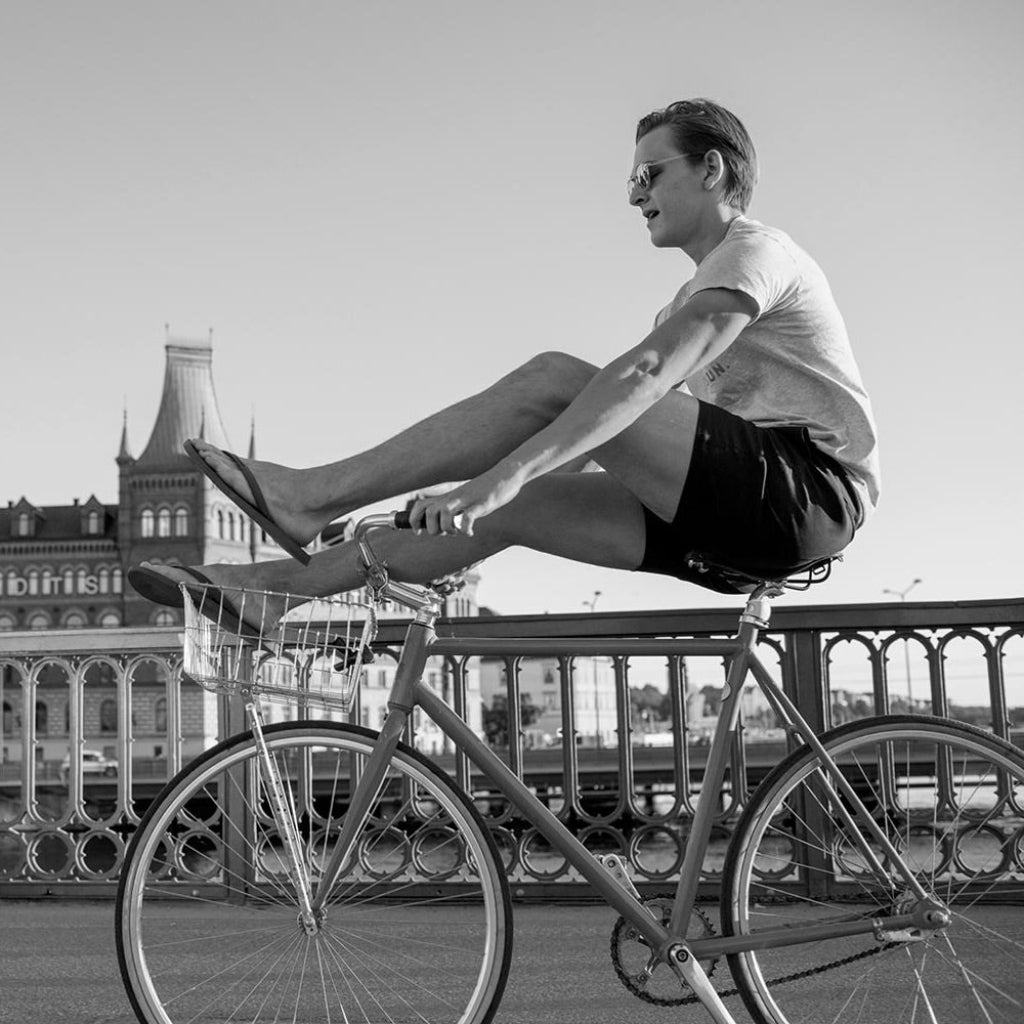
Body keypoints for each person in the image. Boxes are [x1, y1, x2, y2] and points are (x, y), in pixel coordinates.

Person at [130, 98, 879, 630]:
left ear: (712, 169)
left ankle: (311, 494)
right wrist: (461, 503)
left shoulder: (756, 253)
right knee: (523, 504)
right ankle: (275, 592)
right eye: (632, 182)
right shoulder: (693, 294)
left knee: (555, 381)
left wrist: (496, 478)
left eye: (648, 175)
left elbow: (644, 378)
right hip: (738, 531)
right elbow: (613, 439)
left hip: (806, 493)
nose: (635, 196)